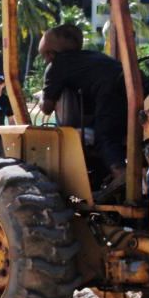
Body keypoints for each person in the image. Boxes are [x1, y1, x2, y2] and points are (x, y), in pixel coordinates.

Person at [37, 23, 127, 196]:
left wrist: (42, 96)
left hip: (111, 93)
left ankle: (121, 175)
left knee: (105, 136)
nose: (45, 60)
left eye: (45, 56)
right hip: (132, 89)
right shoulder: (94, 56)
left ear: (50, 53)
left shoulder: (57, 65)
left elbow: (47, 108)